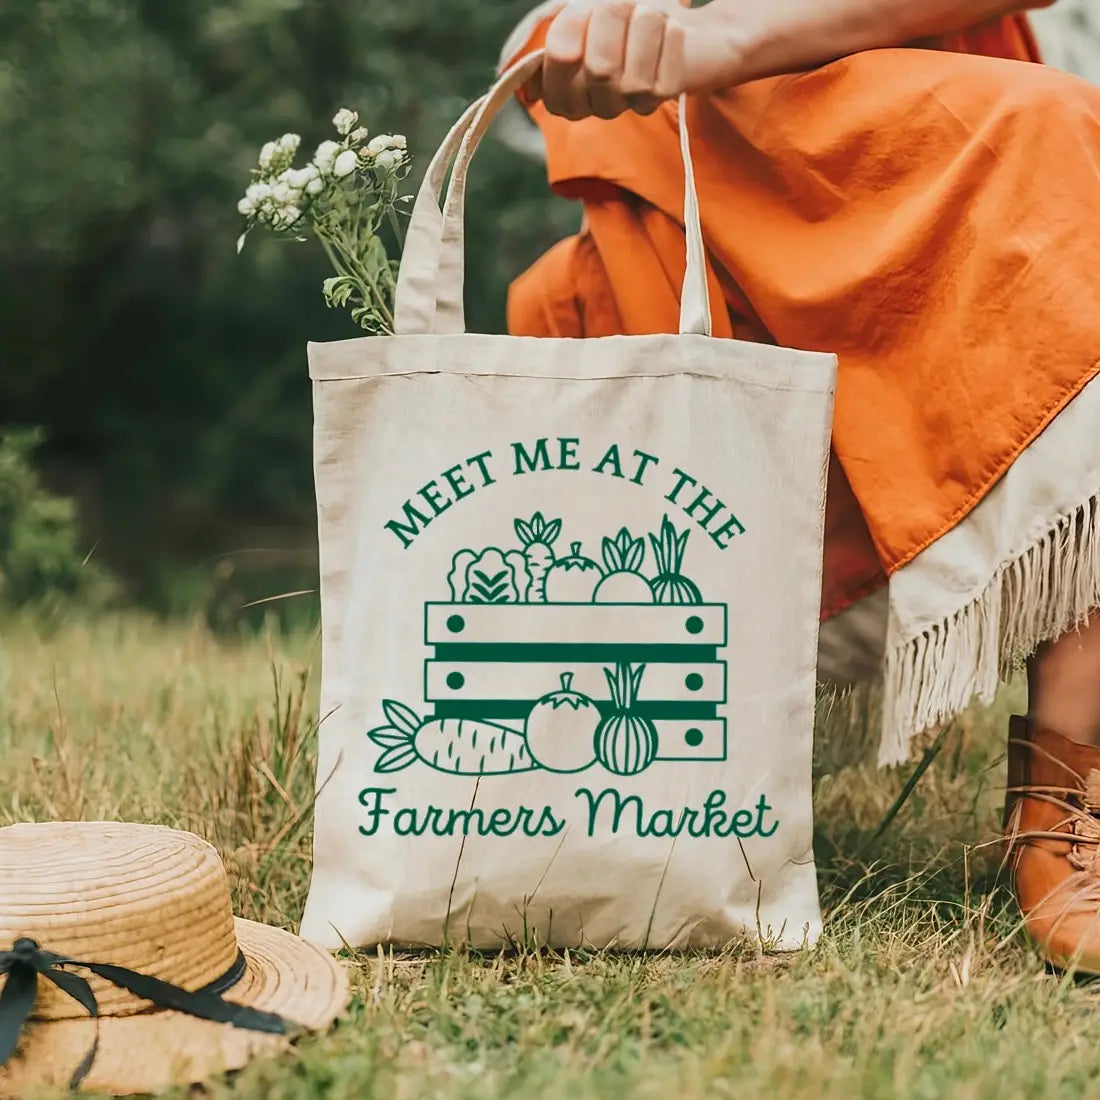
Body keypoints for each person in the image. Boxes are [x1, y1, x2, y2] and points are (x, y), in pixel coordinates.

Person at [497, 0, 1100, 971]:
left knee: (1056, 151)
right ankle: (626, 775)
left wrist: (733, 35)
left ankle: (1070, 778)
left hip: (904, 64)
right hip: (705, 125)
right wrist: (572, 31)